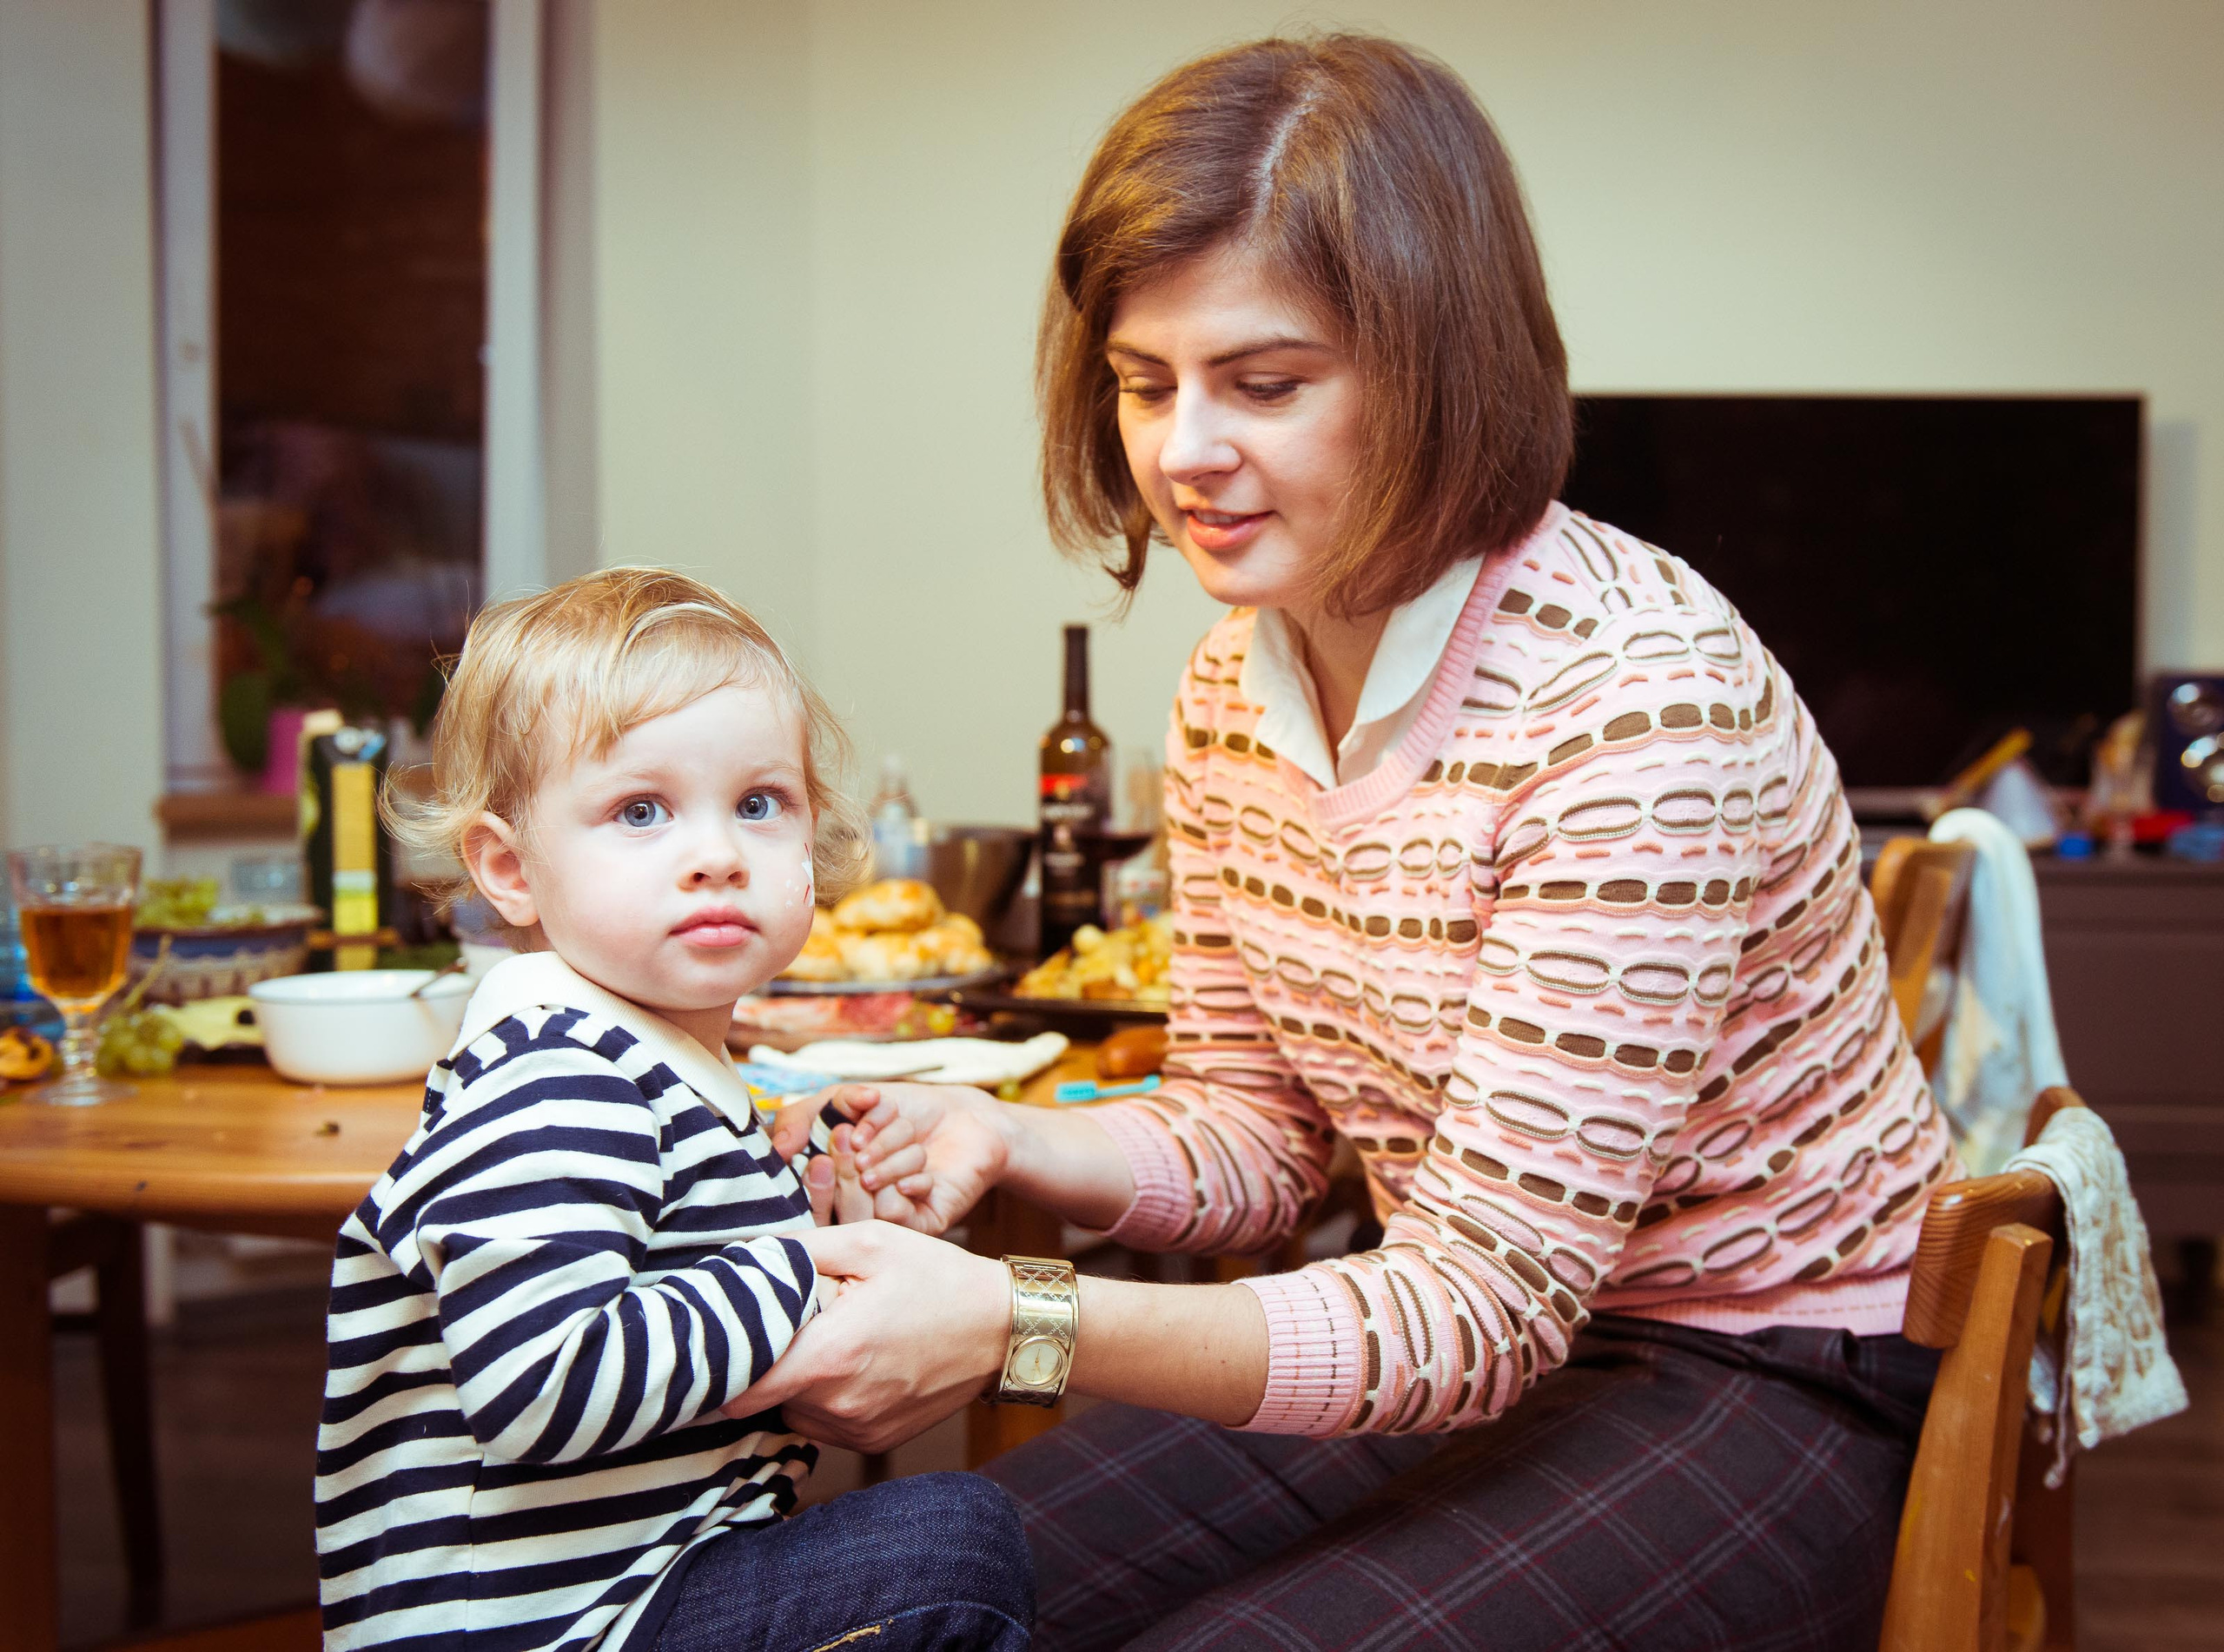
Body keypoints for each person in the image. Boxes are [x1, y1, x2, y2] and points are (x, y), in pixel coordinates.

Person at [737, 33, 1957, 1652]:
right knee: (897, 1584)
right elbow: (1259, 1136)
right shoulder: (1236, 684)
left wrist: (1015, 1319)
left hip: (1764, 1367)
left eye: (1265, 383)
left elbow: (1474, 1316)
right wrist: (1006, 1147)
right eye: (1142, 380)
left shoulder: (1636, 707)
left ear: (1436, 365)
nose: (1182, 454)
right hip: (1462, 1330)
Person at [314, 568, 1033, 1652]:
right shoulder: (558, 1072)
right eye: (639, 811)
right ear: (509, 869)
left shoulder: (659, 1060)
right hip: (540, 1628)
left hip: (642, 1582)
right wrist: (809, 1274)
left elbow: (691, 1343)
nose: (715, 854)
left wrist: (857, 1234)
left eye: (758, 803)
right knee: (950, 1542)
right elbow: (542, 1384)